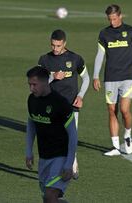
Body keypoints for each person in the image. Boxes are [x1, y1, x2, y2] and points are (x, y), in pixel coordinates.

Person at [93, 4, 132, 156]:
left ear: (120, 16)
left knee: (124, 110)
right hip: (110, 77)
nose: (112, 22)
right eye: (110, 19)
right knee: (112, 110)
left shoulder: (131, 32)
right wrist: (95, 76)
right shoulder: (104, 34)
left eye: (115, 19)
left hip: (127, 77)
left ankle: (128, 135)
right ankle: (116, 147)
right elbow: (99, 55)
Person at [38, 29, 89, 179]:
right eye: (53, 45)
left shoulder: (75, 59)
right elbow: (39, 83)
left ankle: (72, 163)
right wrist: (53, 77)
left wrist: (80, 96)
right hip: (51, 106)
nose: (55, 49)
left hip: (71, 105)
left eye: (58, 46)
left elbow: (86, 78)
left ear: (64, 43)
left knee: (71, 136)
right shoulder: (44, 60)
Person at [25, 66, 77, 203]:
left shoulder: (60, 103)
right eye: (29, 85)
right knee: (47, 198)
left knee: (50, 195)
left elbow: (73, 134)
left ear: (45, 82)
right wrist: (28, 151)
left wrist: (69, 163)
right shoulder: (32, 100)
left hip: (60, 157)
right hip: (43, 157)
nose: (31, 88)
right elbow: (31, 126)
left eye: (34, 85)